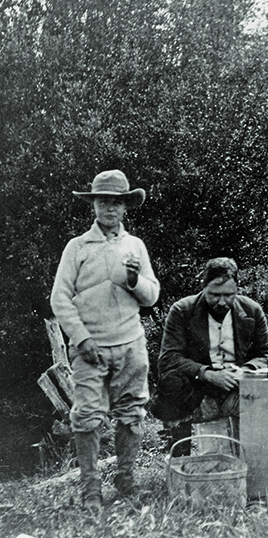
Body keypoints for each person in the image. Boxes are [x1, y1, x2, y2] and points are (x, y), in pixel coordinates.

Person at [50, 170, 160, 518]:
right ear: (93, 205)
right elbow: (60, 299)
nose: (109, 209)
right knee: (87, 419)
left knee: (131, 415)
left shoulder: (135, 246)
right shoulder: (77, 248)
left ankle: (127, 482)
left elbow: (152, 296)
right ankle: (91, 489)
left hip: (130, 345)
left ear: (126, 206)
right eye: (102, 202)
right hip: (90, 349)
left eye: (116, 202)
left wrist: (133, 280)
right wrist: (81, 339)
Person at [152, 257, 268, 453]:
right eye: (214, 295)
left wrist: (245, 371)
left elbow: (267, 353)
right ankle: (180, 456)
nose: (221, 302)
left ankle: (259, 457)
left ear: (237, 290)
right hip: (199, 387)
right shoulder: (182, 310)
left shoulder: (252, 310)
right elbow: (168, 358)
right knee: (172, 381)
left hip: (239, 385)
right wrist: (207, 373)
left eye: (228, 295)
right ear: (203, 287)